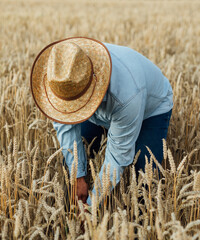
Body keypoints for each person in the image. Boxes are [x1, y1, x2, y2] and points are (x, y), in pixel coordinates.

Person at [30, 37, 173, 205]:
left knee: (144, 177)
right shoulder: (63, 80)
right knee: (73, 158)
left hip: (151, 110)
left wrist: (92, 205)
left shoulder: (128, 95)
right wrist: (78, 177)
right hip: (107, 104)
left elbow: (118, 157)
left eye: (77, 104)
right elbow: (66, 129)